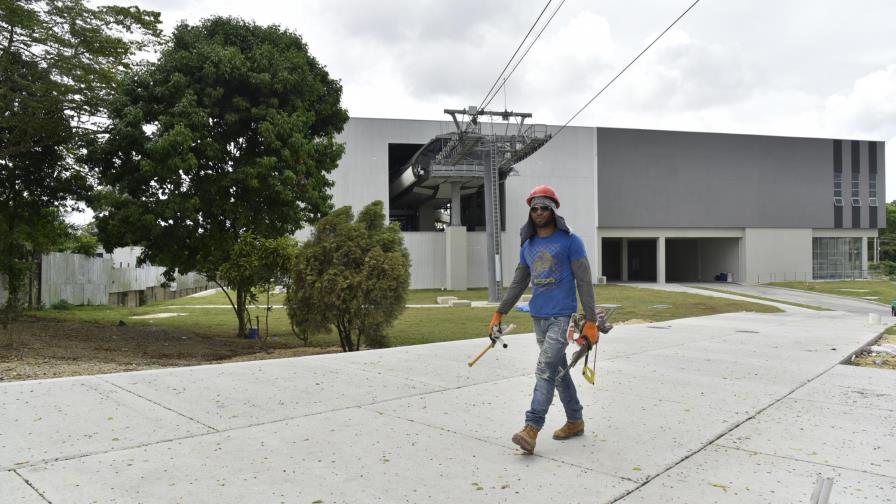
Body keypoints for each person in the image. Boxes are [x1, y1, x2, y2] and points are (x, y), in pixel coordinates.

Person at [488, 184, 599, 454]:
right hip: (538, 317)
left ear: (554, 210)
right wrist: (499, 312)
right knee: (558, 374)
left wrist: (591, 321)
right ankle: (575, 420)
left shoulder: (571, 241)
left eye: (544, 208)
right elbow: (518, 282)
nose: (539, 212)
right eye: (534, 208)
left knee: (545, 370)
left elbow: (584, 282)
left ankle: (531, 428)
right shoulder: (528, 244)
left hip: (562, 317)